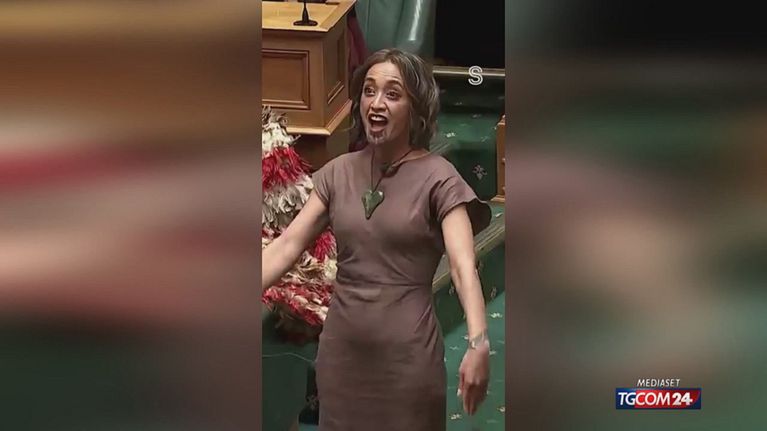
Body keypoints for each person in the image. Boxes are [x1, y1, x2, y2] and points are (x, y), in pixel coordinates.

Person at [262, 48, 491, 431]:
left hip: (407, 362)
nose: (376, 102)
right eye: (369, 91)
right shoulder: (339, 173)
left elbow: (462, 265)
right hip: (342, 357)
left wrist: (478, 341)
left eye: (392, 93)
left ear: (417, 108)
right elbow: (286, 247)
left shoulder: (440, 178)